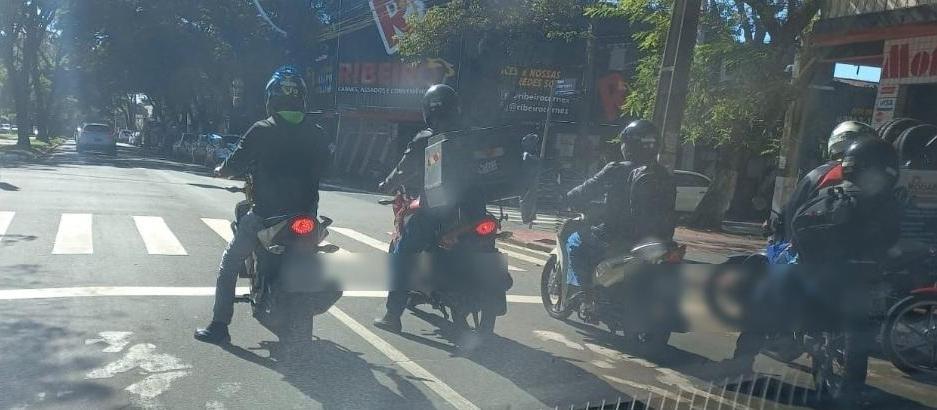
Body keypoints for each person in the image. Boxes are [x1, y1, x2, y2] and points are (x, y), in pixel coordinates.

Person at [194, 65, 331, 344]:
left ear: (271, 99)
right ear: (302, 99)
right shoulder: (317, 132)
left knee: (229, 263)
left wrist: (222, 169)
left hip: (267, 216)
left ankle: (219, 326)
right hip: (306, 218)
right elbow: (330, 169)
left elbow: (234, 165)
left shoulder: (261, 130)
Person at [563, 119, 676, 318]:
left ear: (629, 145)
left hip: (616, 237)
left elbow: (585, 190)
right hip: (656, 240)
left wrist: (568, 197)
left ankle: (588, 299)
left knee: (575, 243)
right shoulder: (663, 174)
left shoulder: (615, 169)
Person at [373, 84, 461, 332]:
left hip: (437, 212)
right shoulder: (469, 137)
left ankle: (392, 316)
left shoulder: (427, 138)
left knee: (403, 255)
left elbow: (403, 168)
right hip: (471, 211)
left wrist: (386, 184)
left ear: (429, 110)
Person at [770, 121, 878, 250]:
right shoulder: (880, 176)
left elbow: (791, 212)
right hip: (872, 254)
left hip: (816, 256)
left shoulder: (821, 173)